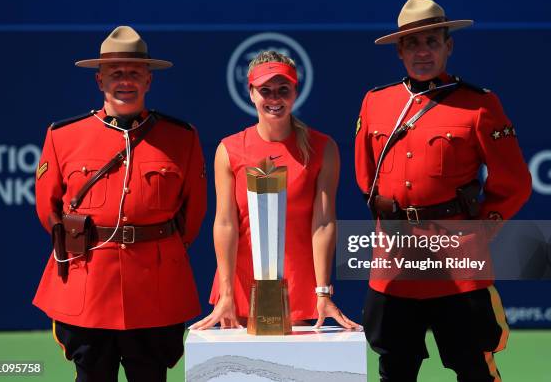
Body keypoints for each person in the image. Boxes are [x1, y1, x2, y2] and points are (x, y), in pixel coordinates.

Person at [354, 0, 532, 382]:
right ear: (399, 50)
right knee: (394, 369)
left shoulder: (479, 105)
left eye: (432, 41)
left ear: (448, 46)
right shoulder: (376, 103)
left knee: (473, 367)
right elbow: (367, 178)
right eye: (413, 43)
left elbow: (514, 182)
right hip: (395, 262)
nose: (422, 51)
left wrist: (481, 230)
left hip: (458, 256)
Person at [32, 26, 206, 381]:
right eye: (115, 73)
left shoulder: (180, 137)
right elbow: (47, 207)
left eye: (134, 73)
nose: (125, 81)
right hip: (90, 282)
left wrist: (159, 247)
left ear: (148, 81)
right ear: (99, 80)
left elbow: (194, 212)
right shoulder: (63, 136)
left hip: (155, 285)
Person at [191, 50, 359, 330]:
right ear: (251, 93)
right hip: (241, 290)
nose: (274, 99)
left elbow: (324, 223)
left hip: (301, 290)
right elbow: (225, 223)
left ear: (295, 91)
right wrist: (226, 293)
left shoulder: (323, 148)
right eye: (265, 91)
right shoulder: (229, 149)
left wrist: (323, 292)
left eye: (283, 89)